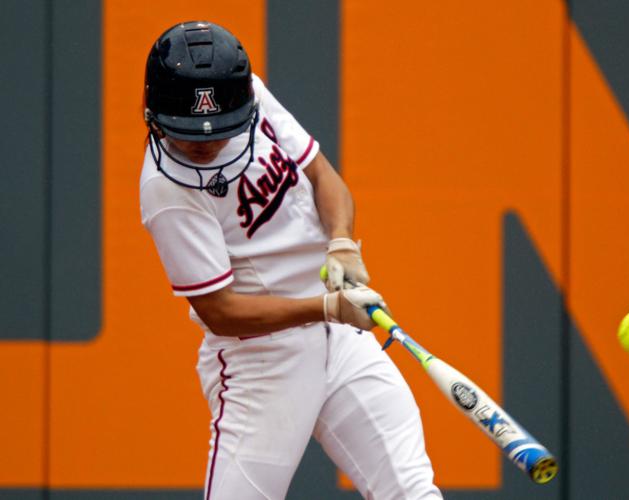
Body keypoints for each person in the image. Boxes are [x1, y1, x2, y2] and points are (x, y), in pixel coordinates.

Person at [139, 21, 442, 500]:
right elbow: (221, 312)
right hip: (262, 363)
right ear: (153, 114)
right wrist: (324, 309)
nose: (207, 143)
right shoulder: (165, 190)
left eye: (220, 128)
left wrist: (341, 242)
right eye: (190, 134)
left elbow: (323, 177)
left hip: (340, 340)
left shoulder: (252, 97)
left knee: (410, 491)